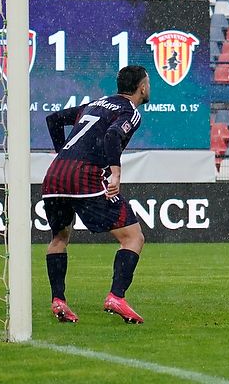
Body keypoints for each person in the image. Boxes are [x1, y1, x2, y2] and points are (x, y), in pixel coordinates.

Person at [42, 65, 150, 324]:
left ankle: (58, 300)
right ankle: (116, 296)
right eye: (148, 83)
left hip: (55, 175)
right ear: (142, 87)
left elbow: (53, 120)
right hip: (85, 176)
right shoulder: (130, 111)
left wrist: (62, 152)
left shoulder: (94, 104)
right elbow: (112, 135)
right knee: (133, 237)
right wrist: (115, 172)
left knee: (59, 238)